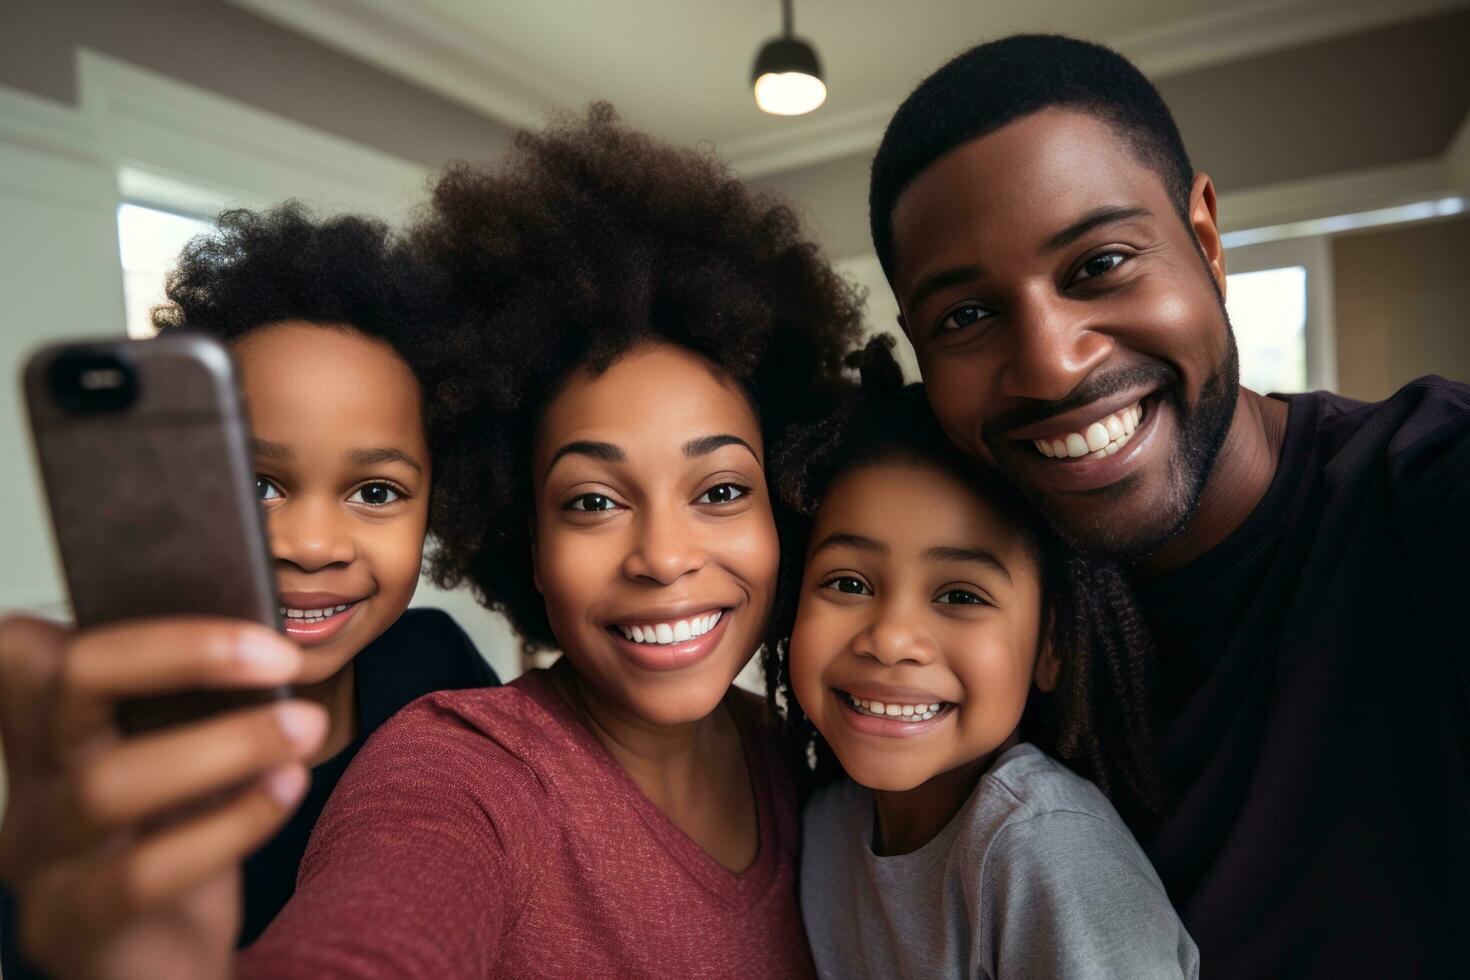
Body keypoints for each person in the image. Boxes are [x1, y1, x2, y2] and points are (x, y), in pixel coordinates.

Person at [0, 105, 863, 978]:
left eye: (720, 490)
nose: (665, 557)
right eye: (594, 501)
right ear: (522, 532)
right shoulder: (456, 769)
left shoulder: (800, 743)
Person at [866, 33, 1470, 976]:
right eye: (967, 317)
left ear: (1205, 240)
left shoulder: (1426, 487)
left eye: (1099, 263)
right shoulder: (960, 616)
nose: (1052, 363)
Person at [0, 204, 498, 976]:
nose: (310, 547)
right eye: (258, 483)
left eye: (375, 492)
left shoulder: (438, 664)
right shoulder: (113, 772)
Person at [764, 337, 1197, 978]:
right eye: (848, 583)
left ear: (1051, 646)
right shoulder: (826, 825)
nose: (890, 638)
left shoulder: (1044, 845)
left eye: (960, 595)